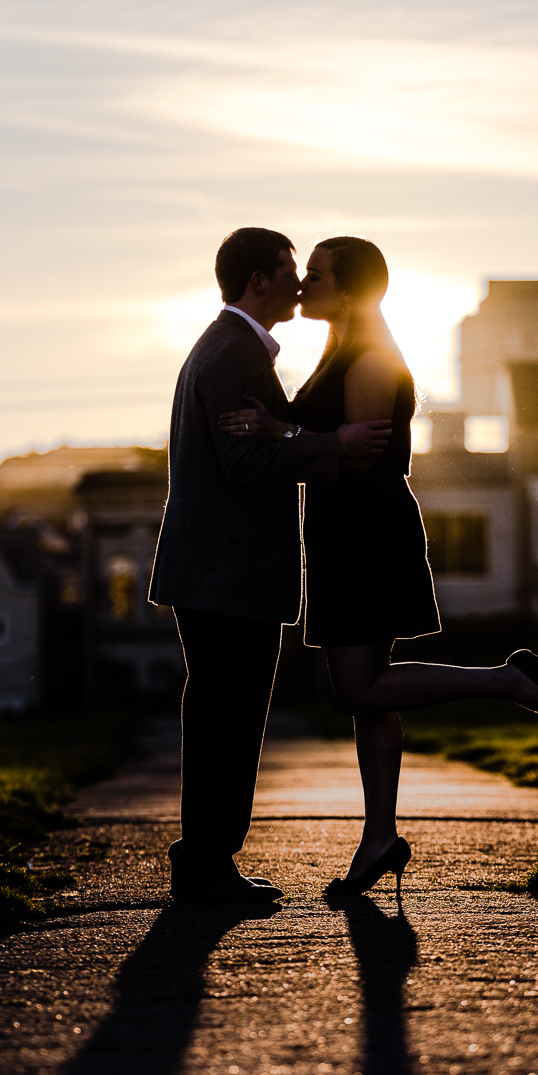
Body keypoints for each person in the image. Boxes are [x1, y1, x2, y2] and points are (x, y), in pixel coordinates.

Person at [220, 236, 538, 897]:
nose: (302, 287)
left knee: (358, 690)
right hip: (340, 530)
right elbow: (330, 442)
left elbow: (356, 457)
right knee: (369, 696)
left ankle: (508, 681)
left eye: (314, 276)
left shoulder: (373, 358)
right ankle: (380, 837)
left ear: (350, 291)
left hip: (366, 531)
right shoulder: (338, 351)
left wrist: (278, 433)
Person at [149, 227, 392, 904]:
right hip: (228, 575)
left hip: (220, 573)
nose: (299, 284)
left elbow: (258, 444)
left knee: (219, 718)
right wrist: (332, 445)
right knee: (229, 718)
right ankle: (208, 864)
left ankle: (206, 860)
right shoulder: (233, 353)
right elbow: (244, 460)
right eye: (290, 271)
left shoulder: (230, 347)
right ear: (258, 280)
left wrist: (294, 435)